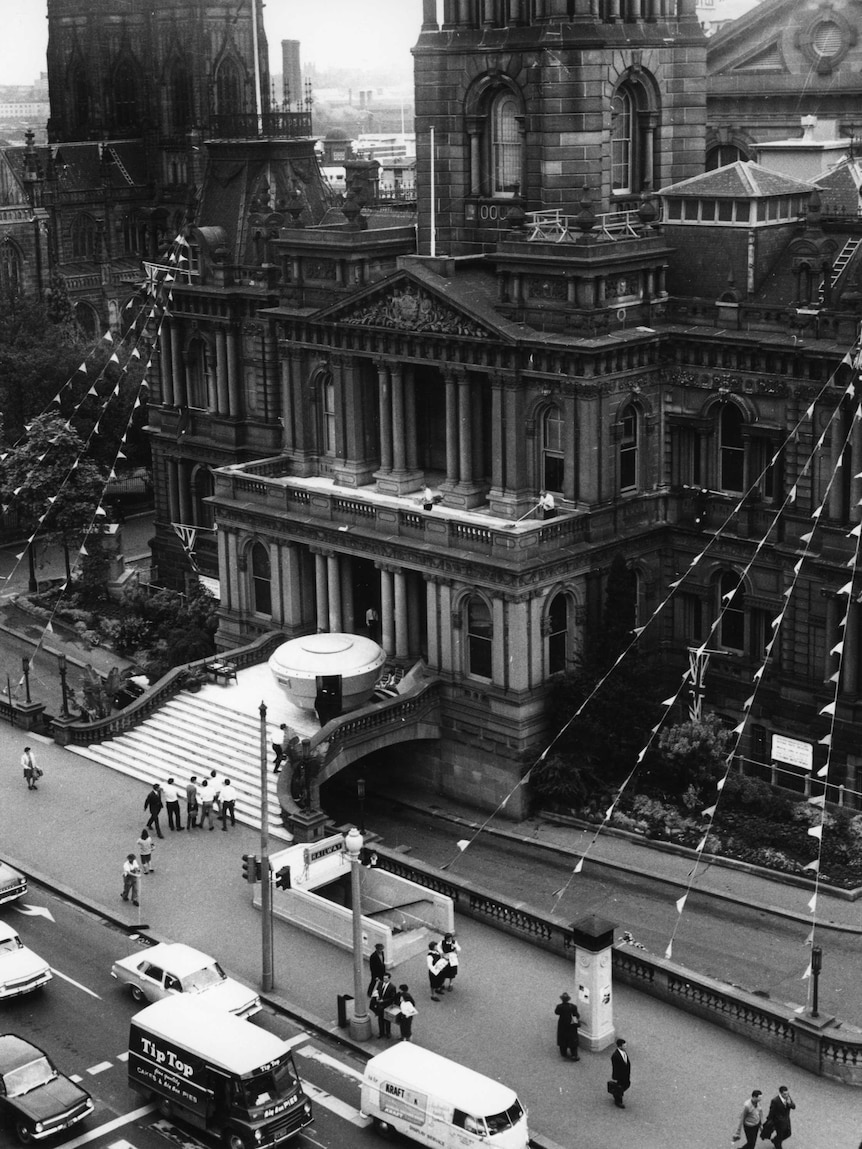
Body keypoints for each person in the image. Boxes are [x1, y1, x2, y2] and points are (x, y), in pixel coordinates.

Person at [370, 971, 398, 1038]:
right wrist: (376, 996)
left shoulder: (392, 987)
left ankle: (388, 1033)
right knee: (380, 1019)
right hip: (380, 1006)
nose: (384, 979)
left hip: (386, 1006)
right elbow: (377, 990)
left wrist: (383, 1001)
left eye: (386, 978)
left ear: (389, 979)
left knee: (387, 1020)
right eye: (384, 978)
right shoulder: (380, 983)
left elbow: (392, 998)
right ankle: (381, 1033)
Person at [554, 992, 580, 1060]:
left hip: (562, 1024)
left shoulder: (559, 1006)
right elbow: (576, 1015)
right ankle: (574, 1054)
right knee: (572, 1038)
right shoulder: (573, 1007)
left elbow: (556, 1012)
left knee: (562, 1038)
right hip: (571, 1024)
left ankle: (563, 1052)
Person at [609, 1037, 631, 1109]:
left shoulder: (623, 1052)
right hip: (620, 1076)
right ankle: (618, 1100)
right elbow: (616, 1068)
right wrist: (616, 1077)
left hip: (625, 1075)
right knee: (619, 1088)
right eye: (624, 1045)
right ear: (620, 1046)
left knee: (626, 1085)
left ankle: (617, 1094)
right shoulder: (615, 1056)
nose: (626, 1047)